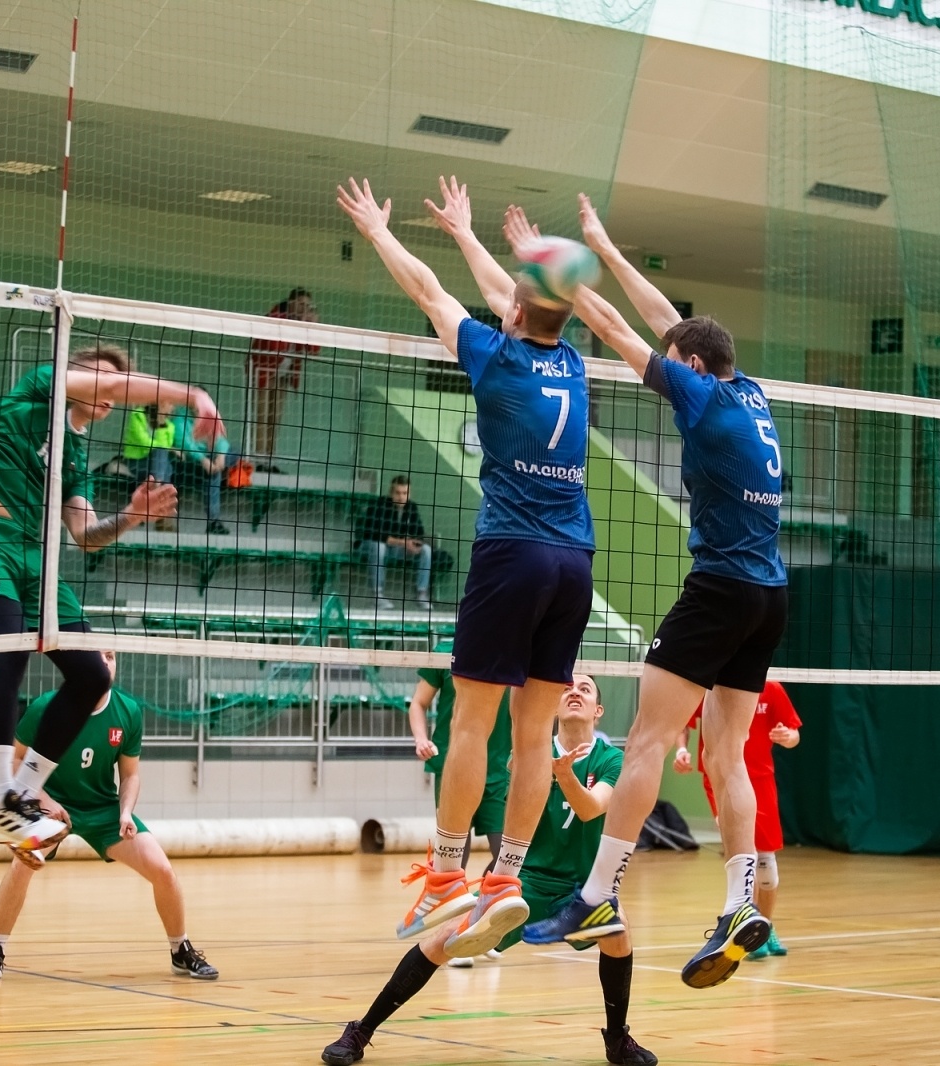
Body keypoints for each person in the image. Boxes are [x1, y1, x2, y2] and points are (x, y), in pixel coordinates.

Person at [515, 195, 787, 991]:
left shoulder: (698, 394)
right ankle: (740, 904)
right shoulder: (749, 390)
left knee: (644, 743)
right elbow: (674, 324)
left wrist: (560, 274)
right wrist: (605, 245)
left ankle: (596, 894)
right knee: (726, 756)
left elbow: (619, 330)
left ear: (692, 370)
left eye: (678, 364)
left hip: (720, 588)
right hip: (770, 595)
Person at [339, 176, 594, 956]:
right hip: (575, 561)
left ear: (513, 313)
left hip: (512, 553)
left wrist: (381, 232)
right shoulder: (571, 363)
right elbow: (512, 297)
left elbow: (431, 292)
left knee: (471, 725)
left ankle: (449, 872)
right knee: (533, 736)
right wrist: (467, 235)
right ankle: (506, 878)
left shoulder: (495, 356)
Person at [0, 342, 221, 851]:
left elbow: (86, 534)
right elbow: (110, 383)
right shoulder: (36, 391)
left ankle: (23, 794)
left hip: (34, 559)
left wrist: (131, 517)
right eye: (97, 377)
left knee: (92, 675)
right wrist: (192, 394)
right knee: (11, 646)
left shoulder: (75, 456)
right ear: (72, 375)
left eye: (112, 385)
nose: (107, 391)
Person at [321, 675, 657, 1066]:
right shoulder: (529, 754)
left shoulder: (611, 759)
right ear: (553, 706)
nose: (575, 693)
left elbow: (590, 808)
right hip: (523, 883)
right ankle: (361, 1030)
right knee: (443, 939)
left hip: (581, 889)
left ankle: (617, 1039)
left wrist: (564, 774)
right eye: (568, 688)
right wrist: (541, 767)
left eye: (585, 689)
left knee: (618, 930)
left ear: (598, 710)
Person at [0, 650, 218, 983]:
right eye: (97, 655)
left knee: (162, 869)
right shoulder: (46, 707)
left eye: (111, 656)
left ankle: (180, 950)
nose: (105, 662)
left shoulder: (128, 711)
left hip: (102, 808)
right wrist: (44, 799)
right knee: (21, 866)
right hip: (50, 807)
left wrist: (125, 812)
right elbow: (15, 761)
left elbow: (130, 775)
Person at [675, 679, 800, 958]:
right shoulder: (709, 686)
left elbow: (794, 735)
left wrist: (787, 736)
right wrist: (681, 750)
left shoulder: (772, 688)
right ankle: (745, 927)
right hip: (719, 776)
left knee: (766, 864)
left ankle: (765, 926)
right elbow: (683, 723)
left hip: (761, 780)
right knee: (744, 851)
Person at [405, 638, 511, 926]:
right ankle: (452, 927)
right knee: (454, 859)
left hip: (500, 768)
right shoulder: (446, 652)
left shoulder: (513, 650)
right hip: (454, 765)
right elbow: (418, 703)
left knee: (508, 856)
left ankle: (477, 909)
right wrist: (420, 739)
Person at [246, 288, 318, 472]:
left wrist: (313, 328)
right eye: (301, 304)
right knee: (262, 417)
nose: (304, 308)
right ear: (291, 303)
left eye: (307, 305)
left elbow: (313, 351)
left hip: (284, 375)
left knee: (275, 418)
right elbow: (274, 345)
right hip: (264, 371)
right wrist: (299, 326)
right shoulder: (276, 316)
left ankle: (270, 460)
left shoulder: (303, 323)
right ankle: (258, 460)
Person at [354, 475, 433, 610]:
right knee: (379, 546)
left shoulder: (411, 507)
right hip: (367, 546)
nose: (401, 497)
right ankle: (377, 595)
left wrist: (414, 543)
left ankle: (421, 593)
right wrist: (403, 542)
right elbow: (374, 534)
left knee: (426, 550)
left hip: (393, 548)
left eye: (405, 493)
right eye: (398, 493)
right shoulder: (380, 504)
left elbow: (419, 532)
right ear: (391, 492)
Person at [172, 404, 232, 535]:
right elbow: (185, 444)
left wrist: (221, 456)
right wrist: (203, 460)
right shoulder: (180, 419)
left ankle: (214, 522)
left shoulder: (209, 418)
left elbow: (220, 439)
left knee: (232, 452)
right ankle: (214, 521)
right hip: (185, 463)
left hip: (206, 461)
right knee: (213, 473)